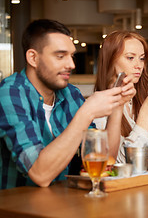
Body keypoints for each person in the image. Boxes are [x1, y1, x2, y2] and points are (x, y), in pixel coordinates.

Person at [0, 19, 135, 189]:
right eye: (60, 56)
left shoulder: (70, 93)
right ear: (33, 58)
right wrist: (87, 112)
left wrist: (117, 106)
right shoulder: (9, 93)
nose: (71, 64)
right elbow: (40, 174)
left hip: (62, 204)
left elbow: (105, 158)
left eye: (71, 56)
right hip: (16, 209)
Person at [94, 30, 148, 161]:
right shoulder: (98, 104)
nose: (139, 66)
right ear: (111, 60)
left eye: (142, 58)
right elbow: (120, 160)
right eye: (130, 58)